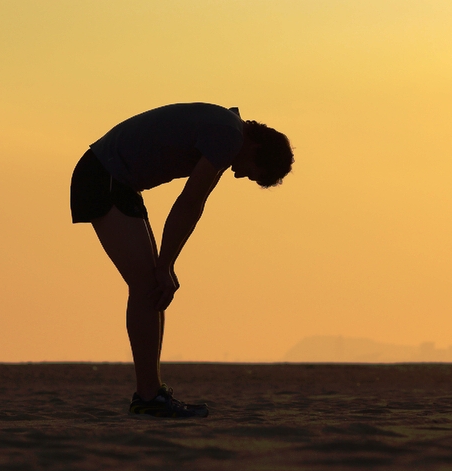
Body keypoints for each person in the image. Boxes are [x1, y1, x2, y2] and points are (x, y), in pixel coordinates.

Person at [70, 103, 293, 418]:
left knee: (152, 288)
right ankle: (148, 397)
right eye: (251, 172)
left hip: (116, 181)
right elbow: (189, 202)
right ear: (257, 147)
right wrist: (165, 266)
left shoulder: (229, 130)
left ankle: (152, 393)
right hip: (101, 176)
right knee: (147, 285)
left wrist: (166, 264)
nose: (240, 175)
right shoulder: (229, 136)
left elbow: (195, 205)